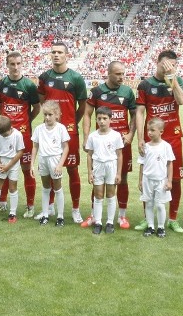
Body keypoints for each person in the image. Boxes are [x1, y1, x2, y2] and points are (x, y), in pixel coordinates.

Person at [135, 50, 183, 233]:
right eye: (166, 65)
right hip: (152, 140)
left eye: (173, 65)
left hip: (173, 137)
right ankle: (147, 219)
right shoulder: (145, 85)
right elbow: (139, 112)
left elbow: (181, 101)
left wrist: (172, 79)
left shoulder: (176, 81)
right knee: (148, 177)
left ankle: (172, 218)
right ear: (158, 63)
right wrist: (141, 138)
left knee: (175, 179)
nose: (168, 68)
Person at [81, 61, 136, 229]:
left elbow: (135, 115)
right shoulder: (97, 91)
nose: (121, 77)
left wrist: (130, 134)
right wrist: (85, 137)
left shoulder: (127, 92)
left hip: (121, 143)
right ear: (109, 73)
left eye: (123, 74)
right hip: (100, 143)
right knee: (97, 180)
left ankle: (122, 216)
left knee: (122, 178)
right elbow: (87, 114)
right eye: (118, 74)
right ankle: (93, 215)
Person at [38, 42, 87, 223]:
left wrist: (73, 122)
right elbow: (43, 103)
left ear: (67, 55)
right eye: (53, 52)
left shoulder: (76, 78)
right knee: (50, 170)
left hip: (69, 131)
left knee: (72, 169)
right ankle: (49, 207)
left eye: (60, 52)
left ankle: (75, 209)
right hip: (48, 132)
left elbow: (82, 106)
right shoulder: (44, 77)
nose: (56, 55)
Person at [0, 51, 41, 218]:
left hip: (24, 135)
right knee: (4, 167)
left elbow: (36, 108)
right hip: (5, 135)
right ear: (7, 65)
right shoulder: (0, 85)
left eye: (18, 64)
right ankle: (3, 202)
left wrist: (26, 121)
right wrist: (6, 122)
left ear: (22, 64)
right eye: (12, 64)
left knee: (27, 170)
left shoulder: (29, 85)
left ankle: (30, 205)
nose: (15, 67)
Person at [84, 107, 125, 234]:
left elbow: (119, 155)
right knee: (98, 195)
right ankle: (98, 222)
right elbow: (90, 155)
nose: (102, 121)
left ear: (110, 120)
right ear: (96, 119)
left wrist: (118, 173)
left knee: (111, 194)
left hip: (111, 166)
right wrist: (90, 172)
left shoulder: (116, 135)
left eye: (105, 119)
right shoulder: (92, 136)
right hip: (98, 166)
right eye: (99, 119)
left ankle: (110, 222)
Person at [31, 100, 70, 227]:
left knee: (57, 188)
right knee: (45, 188)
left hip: (55, 160)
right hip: (43, 160)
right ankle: (45, 214)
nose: (47, 117)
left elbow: (66, 148)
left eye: (50, 115)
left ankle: (60, 216)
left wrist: (60, 165)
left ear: (57, 115)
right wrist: (32, 164)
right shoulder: (39, 129)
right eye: (45, 115)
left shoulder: (61, 128)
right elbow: (35, 147)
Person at [137, 117, 175, 238]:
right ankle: (150, 226)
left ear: (161, 132)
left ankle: (161, 227)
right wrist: (140, 180)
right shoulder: (145, 147)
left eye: (152, 130)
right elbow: (142, 164)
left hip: (161, 181)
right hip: (147, 180)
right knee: (148, 204)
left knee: (160, 204)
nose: (149, 133)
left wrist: (169, 181)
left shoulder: (166, 146)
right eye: (148, 130)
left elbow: (170, 163)